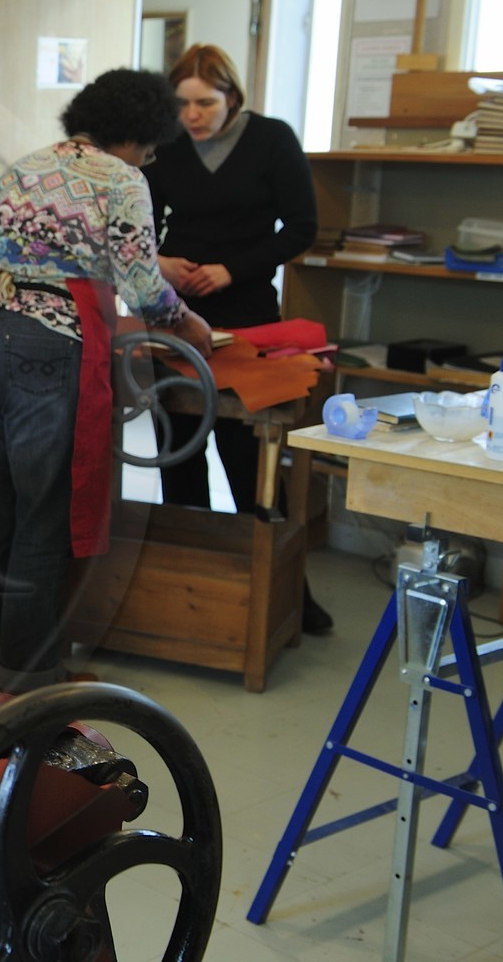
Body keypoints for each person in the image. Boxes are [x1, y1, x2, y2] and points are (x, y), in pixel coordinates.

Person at [0, 68, 214, 694]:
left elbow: (17, 254)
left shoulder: (23, 167)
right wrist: (191, 323)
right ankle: (32, 675)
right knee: (45, 510)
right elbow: (142, 286)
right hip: (47, 344)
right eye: (151, 146)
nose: (150, 157)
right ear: (140, 137)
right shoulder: (124, 178)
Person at [141, 43, 333, 634]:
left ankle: (283, 592)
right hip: (177, 318)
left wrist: (233, 269)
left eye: (204, 103)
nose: (192, 115)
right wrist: (163, 262)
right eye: (181, 105)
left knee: (252, 461)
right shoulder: (165, 147)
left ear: (232, 98)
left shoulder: (271, 140)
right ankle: (192, 588)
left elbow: (302, 228)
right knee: (180, 454)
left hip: (248, 314)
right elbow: (136, 228)